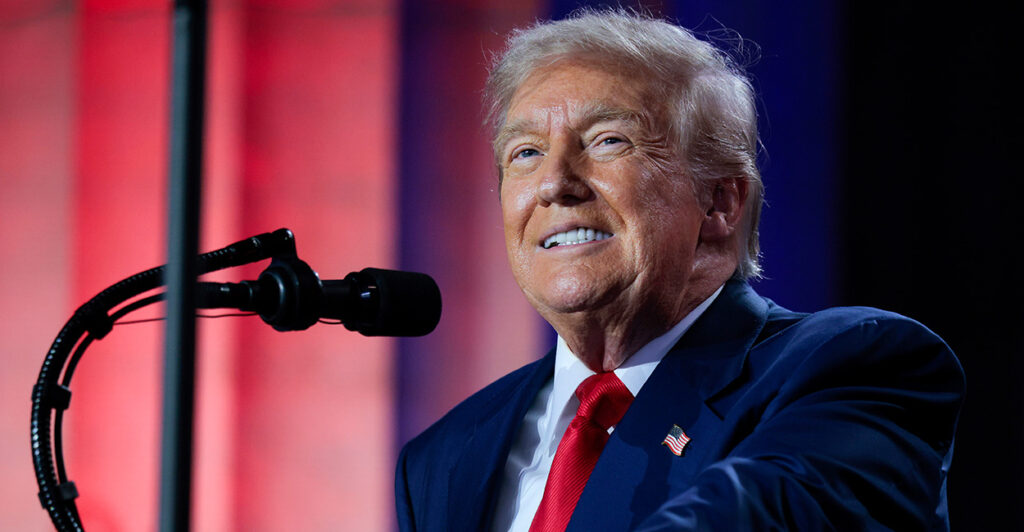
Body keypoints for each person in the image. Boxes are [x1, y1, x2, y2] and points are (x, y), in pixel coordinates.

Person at [395, 9, 964, 532]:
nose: (553, 184)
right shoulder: (444, 457)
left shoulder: (852, 367)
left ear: (719, 204)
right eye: (524, 153)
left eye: (608, 141)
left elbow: (769, 511)